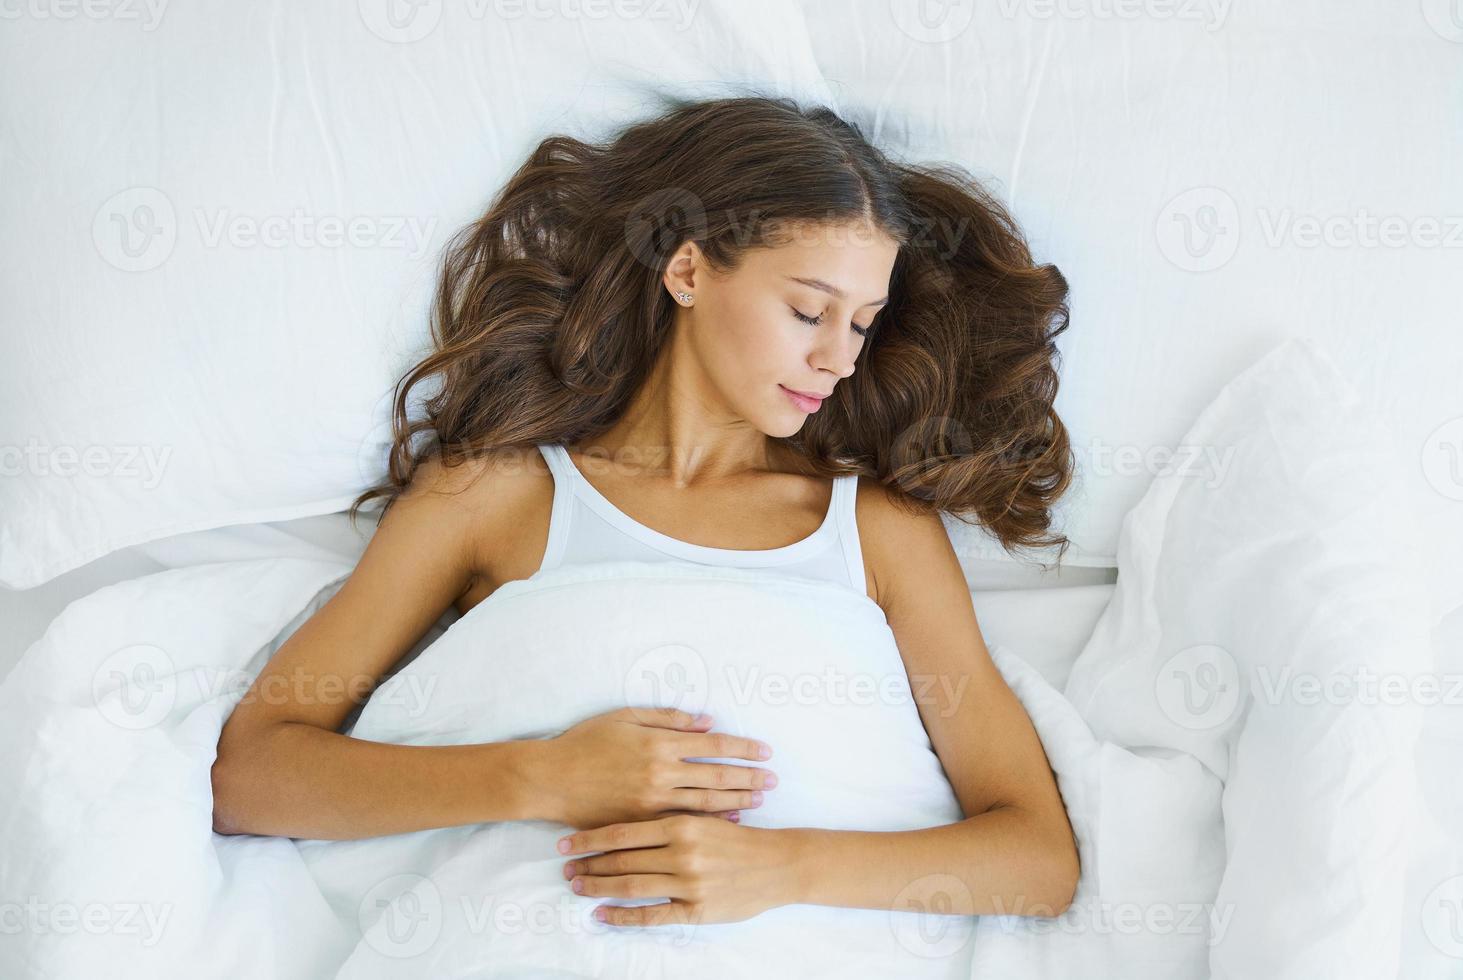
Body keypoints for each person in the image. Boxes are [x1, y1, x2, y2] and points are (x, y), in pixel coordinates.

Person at [212, 94, 1080, 927]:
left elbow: (1037, 859)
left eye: (862, 325)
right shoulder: (491, 494)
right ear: (689, 268)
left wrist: (786, 868)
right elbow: (250, 774)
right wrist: (542, 777)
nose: (837, 359)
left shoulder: (877, 530)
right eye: (809, 310)